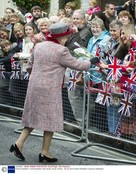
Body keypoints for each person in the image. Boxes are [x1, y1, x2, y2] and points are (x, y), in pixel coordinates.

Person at [9, 23, 99, 162]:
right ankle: (44, 152)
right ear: (61, 36)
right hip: (50, 89)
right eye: (66, 36)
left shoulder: (39, 46)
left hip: (34, 86)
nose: (67, 38)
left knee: (33, 117)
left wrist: (38, 76)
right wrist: (91, 61)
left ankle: (19, 144)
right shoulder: (61, 50)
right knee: (50, 119)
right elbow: (78, 65)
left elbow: (29, 66)